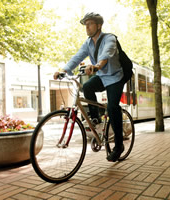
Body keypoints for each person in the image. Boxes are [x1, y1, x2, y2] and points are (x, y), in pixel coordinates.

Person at [53, 12, 125, 162]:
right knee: (87, 87)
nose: (87, 27)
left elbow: (107, 53)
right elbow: (77, 57)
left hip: (115, 77)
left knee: (112, 107)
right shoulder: (88, 43)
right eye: (85, 25)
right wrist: (63, 70)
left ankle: (119, 146)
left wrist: (96, 66)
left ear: (99, 25)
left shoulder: (109, 38)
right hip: (101, 77)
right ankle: (95, 119)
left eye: (90, 24)